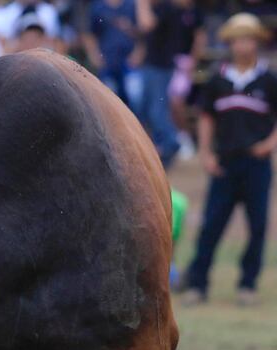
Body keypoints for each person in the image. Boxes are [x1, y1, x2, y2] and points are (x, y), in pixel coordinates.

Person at [180, 13, 277, 306]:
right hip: (224, 163)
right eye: (236, 39)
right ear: (229, 43)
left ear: (256, 42)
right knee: (211, 225)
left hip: (256, 165)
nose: (242, 45)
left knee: (257, 226)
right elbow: (207, 118)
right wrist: (206, 152)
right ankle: (198, 284)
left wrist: (269, 144)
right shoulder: (217, 80)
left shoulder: (268, 79)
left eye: (247, 38)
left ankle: (247, 285)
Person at [135, 0, 204, 167]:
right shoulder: (164, 8)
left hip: (160, 67)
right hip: (153, 65)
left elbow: (146, 24)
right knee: (144, 110)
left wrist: (141, 3)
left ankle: (171, 145)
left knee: (157, 111)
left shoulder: (167, 7)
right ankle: (161, 147)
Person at [84, 0, 138, 109]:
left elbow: (141, 33)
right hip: (107, 61)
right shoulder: (97, 7)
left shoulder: (131, 5)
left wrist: (138, 54)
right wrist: (94, 55)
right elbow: (90, 34)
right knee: (109, 100)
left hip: (128, 62)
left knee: (135, 97)